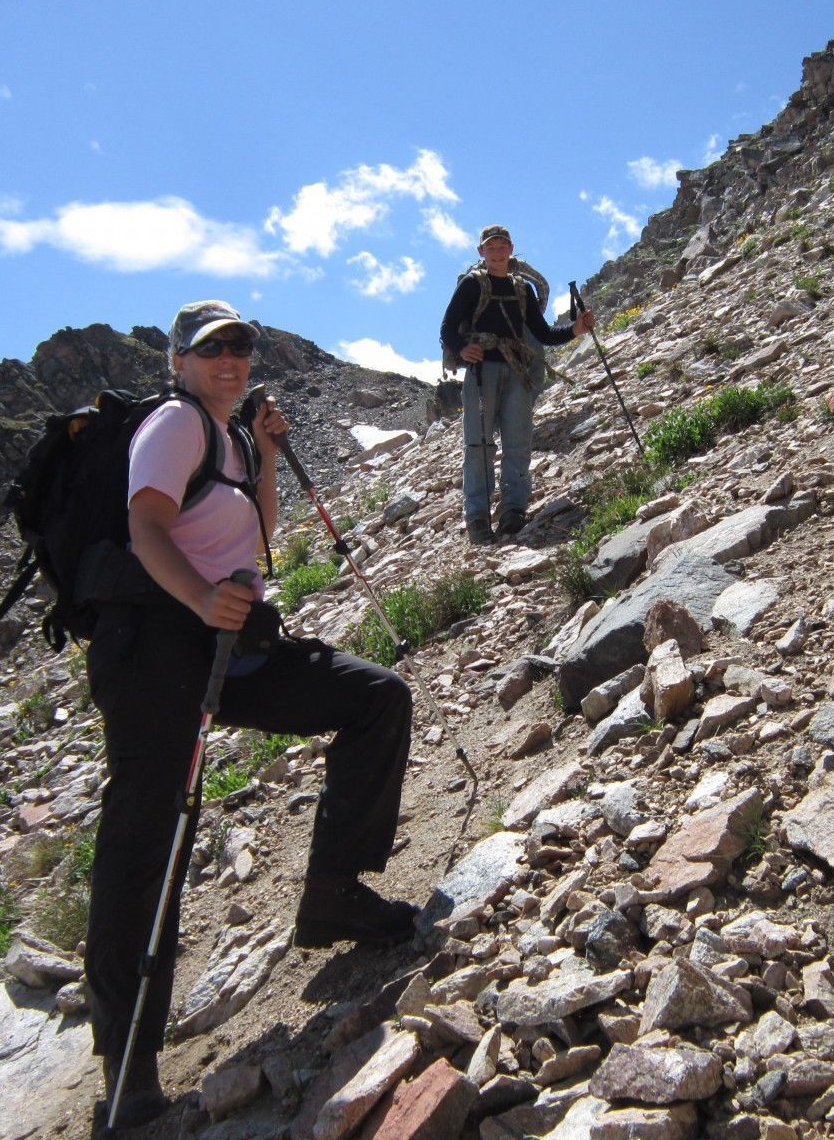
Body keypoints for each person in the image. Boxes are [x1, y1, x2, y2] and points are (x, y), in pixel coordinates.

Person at [84, 300, 416, 1128]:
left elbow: (260, 532)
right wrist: (200, 599)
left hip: (228, 641)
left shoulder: (229, 436)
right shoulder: (172, 423)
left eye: (241, 346)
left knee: (375, 695)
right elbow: (145, 526)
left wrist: (265, 453)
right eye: (213, 349)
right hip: (159, 647)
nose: (231, 359)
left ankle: (334, 896)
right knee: (149, 838)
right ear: (179, 361)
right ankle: (127, 1067)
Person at [440, 224, 593, 543]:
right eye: (490, 248)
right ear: (481, 252)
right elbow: (448, 326)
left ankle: (513, 511)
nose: (496, 253)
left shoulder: (523, 289)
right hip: (482, 371)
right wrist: (460, 348)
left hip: (515, 371)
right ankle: (478, 517)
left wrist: (575, 330)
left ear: (510, 250)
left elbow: (543, 333)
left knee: (517, 441)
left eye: (501, 247)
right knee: (478, 444)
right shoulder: (471, 285)